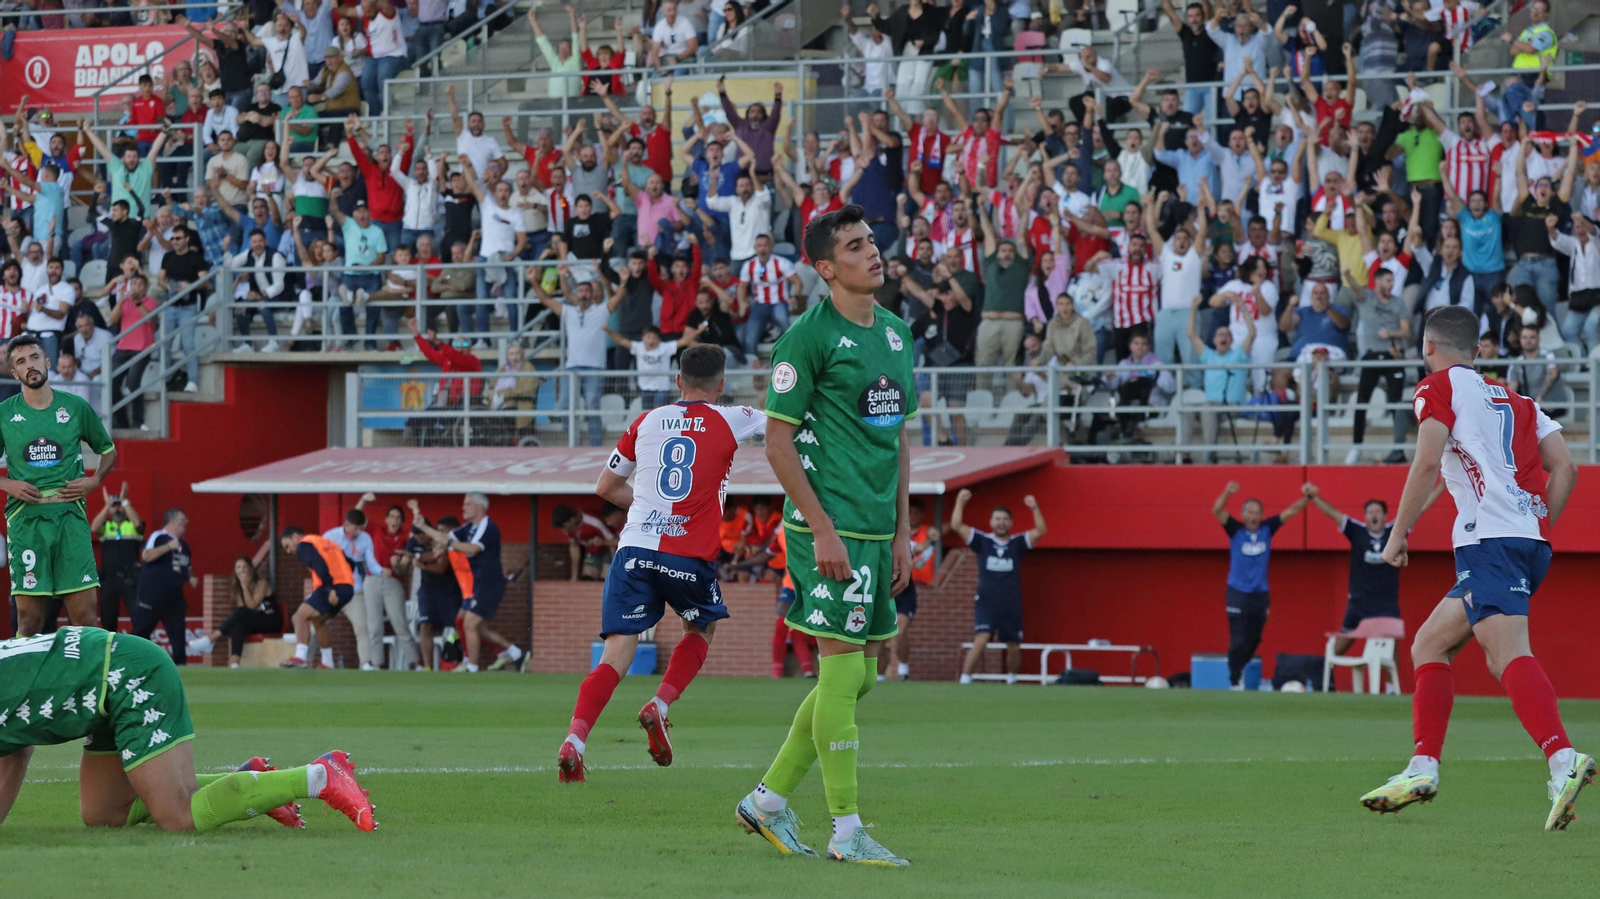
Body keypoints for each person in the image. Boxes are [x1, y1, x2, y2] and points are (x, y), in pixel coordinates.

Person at [1359, 305, 1592, 830]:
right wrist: (1535, 524)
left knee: (1507, 652)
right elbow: (1567, 467)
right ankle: (1422, 767)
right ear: (1479, 351)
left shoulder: (1437, 388)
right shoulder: (1519, 399)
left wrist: (1397, 536)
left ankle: (1563, 759)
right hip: (1526, 540)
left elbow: (1424, 462)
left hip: (1489, 541)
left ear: (1428, 348)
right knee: (1429, 643)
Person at [734, 205, 916, 866]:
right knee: (842, 670)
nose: (871, 252)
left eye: (872, 239)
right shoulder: (806, 338)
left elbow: (897, 440)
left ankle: (768, 801)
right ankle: (847, 829)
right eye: (853, 245)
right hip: (826, 529)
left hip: (875, 529)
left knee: (862, 675)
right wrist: (821, 527)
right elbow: (776, 444)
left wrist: (903, 532)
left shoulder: (896, 334)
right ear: (824, 267)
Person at [558, 345, 766, 781]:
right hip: (687, 554)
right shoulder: (732, 418)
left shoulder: (647, 420)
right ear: (722, 385)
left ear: (677, 382)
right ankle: (661, 703)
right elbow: (784, 425)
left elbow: (605, 486)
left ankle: (575, 739)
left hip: (634, 549)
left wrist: (650, 508)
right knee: (700, 628)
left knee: (616, 651)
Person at [0, 627, 376, 833]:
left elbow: (14, 754)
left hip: (129, 676)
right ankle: (249, 783)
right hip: (110, 679)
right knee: (103, 814)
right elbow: (15, 747)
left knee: (177, 817)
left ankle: (318, 776)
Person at [0, 335, 118, 636]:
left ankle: (86, 685)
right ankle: (26, 684)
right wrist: (7, 484)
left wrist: (95, 480)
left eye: (35, 357)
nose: (31, 365)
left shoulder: (75, 407)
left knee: (86, 619)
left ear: (47, 362)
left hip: (70, 517)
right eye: (22, 362)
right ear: (15, 373)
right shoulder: (4, 414)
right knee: (29, 621)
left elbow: (108, 450)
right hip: (26, 520)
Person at [1210, 480, 1311, 689]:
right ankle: (1234, 678)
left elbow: (1291, 511)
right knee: (1237, 639)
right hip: (1237, 592)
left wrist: (1308, 498)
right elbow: (1216, 509)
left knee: (1254, 639)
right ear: (1244, 514)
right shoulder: (1235, 529)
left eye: (1258, 513)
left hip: (1260, 594)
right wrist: (1227, 492)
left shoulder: (1267, 529)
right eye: (1251, 512)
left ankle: (1241, 666)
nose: (1254, 517)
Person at [410, 493, 525, 673]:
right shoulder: (469, 527)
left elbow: (472, 549)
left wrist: (448, 543)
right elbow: (445, 537)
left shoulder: (488, 526)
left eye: (468, 504)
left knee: (469, 624)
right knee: (466, 621)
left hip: (490, 584)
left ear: (479, 507)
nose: (463, 507)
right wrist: (423, 526)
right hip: (478, 584)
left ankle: (471, 666)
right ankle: (514, 652)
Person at [952, 489, 1046, 685]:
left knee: (1013, 645)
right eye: (997, 519)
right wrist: (960, 502)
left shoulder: (1017, 543)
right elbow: (957, 525)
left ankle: (1012, 680)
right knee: (982, 638)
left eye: (1004, 519)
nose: (1001, 522)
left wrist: (1034, 507)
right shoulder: (983, 541)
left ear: (1011, 522)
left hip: (1011, 602)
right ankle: (965, 679)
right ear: (991, 522)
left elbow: (1040, 530)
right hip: (986, 601)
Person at [278, 525, 357, 670]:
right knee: (318, 621)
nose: (289, 551)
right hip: (348, 589)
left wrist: (329, 589)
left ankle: (300, 658)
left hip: (330, 587)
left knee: (299, 617)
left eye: (287, 546)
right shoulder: (327, 543)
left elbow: (319, 565)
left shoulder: (303, 545)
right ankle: (327, 662)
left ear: (295, 537)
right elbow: (350, 563)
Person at [186, 553, 282, 668]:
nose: (242, 570)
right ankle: (235, 664)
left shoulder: (262, 583)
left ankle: (211, 639)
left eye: (245, 567)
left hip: (270, 620)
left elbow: (250, 606)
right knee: (238, 625)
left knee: (241, 613)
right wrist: (242, 587)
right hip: (254, 620)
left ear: (251, 569)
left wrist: (245, 586)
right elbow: (244, 608)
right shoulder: (238, 587)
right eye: (238, 567)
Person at [131, 509, 197, 665]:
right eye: (182, 519)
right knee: (141, 631)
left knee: (178, 635)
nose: (186, 522)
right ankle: (132, 661)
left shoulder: (184, 545)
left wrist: (191, 577)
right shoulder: (159, 537)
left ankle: (180, 667)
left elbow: (186, 566)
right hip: (152, 596)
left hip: (174, 599)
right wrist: (168, 546)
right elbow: (146, 556)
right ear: (172, 521)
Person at [879, 498, 936, 682]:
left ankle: (903, 668)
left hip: (903, 590)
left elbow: (918, 547)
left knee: (900, 629)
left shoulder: (901, 539)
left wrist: (931, 539)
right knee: (878, 635)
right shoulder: (878, 539)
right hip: (882, 590)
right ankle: (879, 675)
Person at [404, 507, 462, 670]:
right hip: (428, 592)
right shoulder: (423, 542)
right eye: (438, 530)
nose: (439, 533)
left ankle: (460, 662)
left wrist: (420, 561)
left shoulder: (453, 542)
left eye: (442, 530)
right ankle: (428, 668)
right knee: (425, 625)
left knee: (459, 627)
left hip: (450, 592)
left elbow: (441, 565)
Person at [89, 485, 144, 633]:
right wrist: (107, 506)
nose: (117, 509)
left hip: (130, 579)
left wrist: (125, 501)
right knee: (108, 619)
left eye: (119, 506)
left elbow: (139, 524)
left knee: (138, 617)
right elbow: (94, 528)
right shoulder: (106, 526)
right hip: (109, 580)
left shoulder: (132, 525)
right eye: (114, 507)